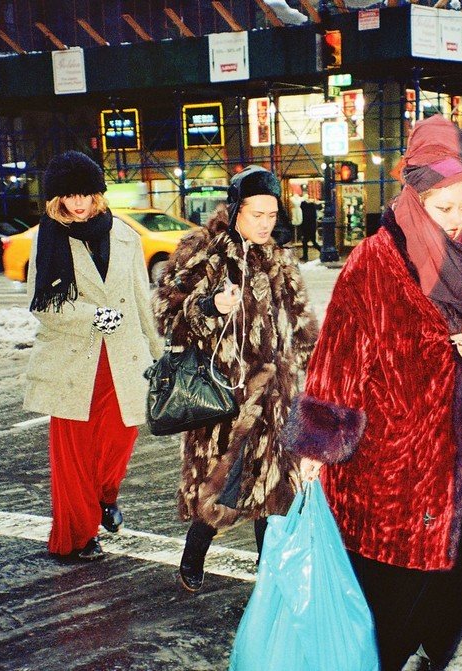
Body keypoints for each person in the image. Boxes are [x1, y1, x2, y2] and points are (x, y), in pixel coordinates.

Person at [283, 115, 462, 670]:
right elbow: (339, 355)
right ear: (415, 197)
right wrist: (316, 446)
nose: (456, 220)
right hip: (392, 460)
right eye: (443, 208)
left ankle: (429, 655)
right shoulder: (375, 260)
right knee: (394, 594)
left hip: (460, 450)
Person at [154, 165, 319, 592]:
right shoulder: (204, 251)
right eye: (256, 214)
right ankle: (194, 554)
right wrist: (209, 307)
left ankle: (268, 576)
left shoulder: (280, 259)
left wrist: (315, 374)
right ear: (234, 210)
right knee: (220, 480)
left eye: (272, 215)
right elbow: (167, 314)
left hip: (274, 395)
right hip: (221, 394)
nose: (265, 224)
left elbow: (303, 325)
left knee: (272, 489)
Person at [24, 150, 163, 563]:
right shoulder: (48, 238)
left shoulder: (125, 236)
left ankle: (104, 495)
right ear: (57, 199)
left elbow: (140, 299)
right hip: (73, 359)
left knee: (120, 439)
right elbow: (42, 304)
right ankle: (77, 536)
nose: (78, 203)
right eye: (69, 196)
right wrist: (91, 315)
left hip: (123, 356)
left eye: (85, 194)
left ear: (98, 194)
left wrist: (160, 353)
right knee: (72, 455)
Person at [299, 197, 320, 261]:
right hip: (312, 227)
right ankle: (305, 256)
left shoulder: (304, 208)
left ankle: (305, 256)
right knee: (313, 242)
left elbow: (304, 219)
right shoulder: (312, 209)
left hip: (306, 227)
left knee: (305, 242)